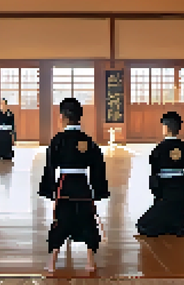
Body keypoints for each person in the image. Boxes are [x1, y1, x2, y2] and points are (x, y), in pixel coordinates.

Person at [38, 97, 109, 273]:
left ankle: (52, 261)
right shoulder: (88, 141)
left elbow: (50, 166)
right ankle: (90, 261)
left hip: (64, 185)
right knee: (87, 219)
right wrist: (98, 190)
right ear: (80, 117)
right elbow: (98, 167)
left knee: (61, 220)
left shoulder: (58, 140)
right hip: (83, 187)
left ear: (61, 117)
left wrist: (49, 189)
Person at [136, 111, 184, 238]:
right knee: (178, 221)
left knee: (143, 225)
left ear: (165, 128)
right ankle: (178, 226)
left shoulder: (158, 149)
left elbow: (154, 174)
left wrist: (157, 194)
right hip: (182, 193)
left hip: (165, 193)